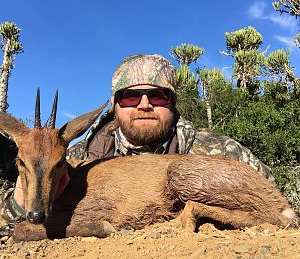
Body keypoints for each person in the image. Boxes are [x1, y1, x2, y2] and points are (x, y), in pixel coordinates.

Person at [0, 54, 274, 232]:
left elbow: (269, 198)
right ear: (115, 106)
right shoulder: (77, 156)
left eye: (158, 96)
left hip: (220, 191)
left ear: (173, 102)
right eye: (131, 97)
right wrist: (22, 200)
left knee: (183, 175)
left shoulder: (217, 149)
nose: (144, 105)